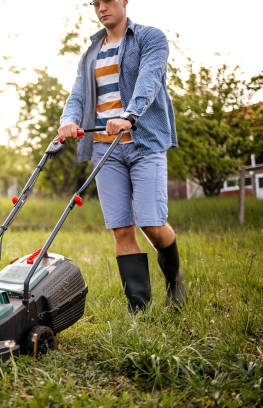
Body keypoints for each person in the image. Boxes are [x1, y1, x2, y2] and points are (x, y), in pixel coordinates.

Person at [58, 0, 186, 313]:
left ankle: (175, 281)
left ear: (124, 1)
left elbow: (150, 79)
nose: (102, 8)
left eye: (108, 1)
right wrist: (68, 121)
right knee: (121, 227)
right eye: (95, 3)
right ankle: (139, 310)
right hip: (104, 147)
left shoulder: (150, 38)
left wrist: (129, 115)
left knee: (151, 222)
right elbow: (78, 94)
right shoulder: (90, 52)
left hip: (143, 142)